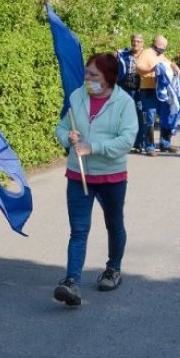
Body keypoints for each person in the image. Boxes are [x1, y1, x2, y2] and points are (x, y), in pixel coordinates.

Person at [54, 53, 139, 307]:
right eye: (86, 73)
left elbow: (127, 140)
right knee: (78, 230)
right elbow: (60, 127)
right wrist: (66, 137)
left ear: (109, 78)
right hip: (78, 174)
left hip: (111, 176)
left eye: (94, 75)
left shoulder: (123, 102)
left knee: (114, 224)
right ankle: (72, 282)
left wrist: (94, 147)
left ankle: (113, 269)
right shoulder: (76, 96)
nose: (87, 79)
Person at [135, 35, 180, 155]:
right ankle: (149, 147)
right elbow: (138, 69)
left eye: (165, 47)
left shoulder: (161, 55)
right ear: (156, 44)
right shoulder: (146, 53)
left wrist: (175, 67)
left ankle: (165, 144)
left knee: (166, 115)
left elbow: (169, 63)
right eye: (162, 46)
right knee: (149, 117)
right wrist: (152, 69)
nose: (163, 49)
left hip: (162, 91)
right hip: (148, 89)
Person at [116, 34, 145, 152]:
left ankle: (139, 143)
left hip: (141, 89)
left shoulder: (146, 54)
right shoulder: (124, 54)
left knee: (140, 115)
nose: (136, 44)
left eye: (138, 41)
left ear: (142, 43)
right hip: (126, 88)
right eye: (134, 41)